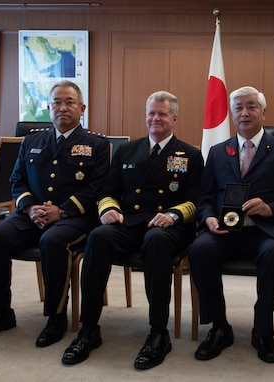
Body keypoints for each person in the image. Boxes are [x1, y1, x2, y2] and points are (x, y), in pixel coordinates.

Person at [61, 91, 203, 370]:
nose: (155, 118)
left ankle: (158, 332)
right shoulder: (127, 151)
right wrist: (107, 210)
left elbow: (197, 200)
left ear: (174, 119)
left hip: (170, 226)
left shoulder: (190, 154)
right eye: (151, 113)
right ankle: (89, 328)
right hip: (131, 221)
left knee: (156, 242)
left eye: (162, 114)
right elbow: (108, 191)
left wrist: (174, 214)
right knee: (98, 237)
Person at [0, 80, 110, 348]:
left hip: (76, 216)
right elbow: (17, 180)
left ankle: (56, 317)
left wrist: (62, 210)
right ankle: (0, 314)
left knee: (52, 242)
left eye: (69, 102)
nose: (62, 108)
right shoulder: (32, 140)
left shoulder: (96, 144)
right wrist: (30, 207)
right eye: (56, 102)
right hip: (31, 214)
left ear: (82, 108)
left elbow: (98, 187)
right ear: (48, 107)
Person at [189, 86, 274, 364]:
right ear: (232, 113)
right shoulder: (217, 152)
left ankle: (262, 330)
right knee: (199, 250)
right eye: (239, 107)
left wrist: (270, 208)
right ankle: (219, 327)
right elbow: (204, 197)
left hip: (265, 231)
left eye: (251, 106)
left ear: (263, 113)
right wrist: (208, 218)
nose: (245, 112)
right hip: (224, 229)